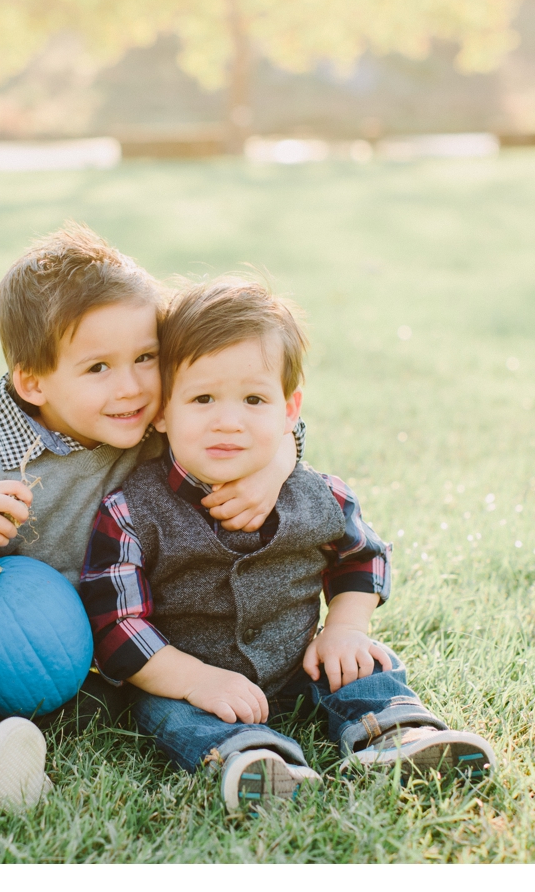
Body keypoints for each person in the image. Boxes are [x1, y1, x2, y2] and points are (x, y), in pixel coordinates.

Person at [0, 224, 303, 812]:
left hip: (107, 662)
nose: (130, 387)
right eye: (97, 368)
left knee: (117, 711)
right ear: (32, 380)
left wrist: (273, 467)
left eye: (146, 358)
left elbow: (259, 415)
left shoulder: (158, 425)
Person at [79, 278, 497, 814]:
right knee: (165, 711)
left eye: (254, 399)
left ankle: (396, 733)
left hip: (300, 664)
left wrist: (344, 630)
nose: (228, 420)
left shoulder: (316, 494)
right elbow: (116, 625)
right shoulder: (131, 509)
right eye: (202, 398)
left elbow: (362, 557)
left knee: (367, 664)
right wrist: (194, 681)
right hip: (188, 678)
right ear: (163, 410)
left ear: (288, 408)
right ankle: (250, 759)